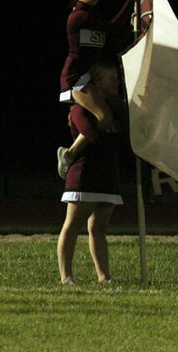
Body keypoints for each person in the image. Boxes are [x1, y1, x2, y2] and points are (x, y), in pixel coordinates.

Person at [57, 0, 137, 179]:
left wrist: (131, 24)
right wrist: (130, 2)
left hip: (87, 77)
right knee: (104, 117)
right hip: (76, 77)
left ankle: (81, 153)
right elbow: (111, 27)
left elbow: (112, 34)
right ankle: (70, 154)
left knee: (104, 116)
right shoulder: (78, 17)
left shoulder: (92, 18)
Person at [57, 61, 123, 284]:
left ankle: (104, 277)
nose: (117, 83)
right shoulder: (80, 109)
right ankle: (66, 276)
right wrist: (105, 116)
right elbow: (91, 133)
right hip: (84, 175)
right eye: (112, 79)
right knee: (73, 225)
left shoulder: (115, 108)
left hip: (108, 173)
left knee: (99, 227)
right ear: (97, 84)